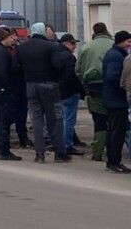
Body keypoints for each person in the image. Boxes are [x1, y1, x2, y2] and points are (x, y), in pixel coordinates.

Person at [16, 22, 70, 163]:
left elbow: (16, 68)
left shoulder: (22, 47)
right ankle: (60, 153)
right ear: (42, 32)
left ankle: (39, 154)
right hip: (49, 85)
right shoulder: (51, 46)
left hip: (31, 86)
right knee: (55, 119)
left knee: (37, 119)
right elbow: (58, 66)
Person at [77, 22, 113, 162]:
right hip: (113, 88)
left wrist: (85, 84)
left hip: (93, 88)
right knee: (118, 120)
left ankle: (97, 152)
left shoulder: (86, 47)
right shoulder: (114, 45)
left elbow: (78, 70)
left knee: (99, 120)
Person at [0, 27, 22, 160]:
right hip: (3, 88)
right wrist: (9, 88)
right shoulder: (3, 52)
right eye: (10, 38)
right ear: (4, 38)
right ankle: (4, 150)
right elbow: (4, 73)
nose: (12, 40)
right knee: (4, 120)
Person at [102, 30, 131, 173]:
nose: (129, 45)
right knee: (117, 132)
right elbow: (113, 77)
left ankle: (112, 161)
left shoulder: (116, 54)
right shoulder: (115, 56)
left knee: (115, 131)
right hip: (116, 100)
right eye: (128, 42)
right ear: (121, 41)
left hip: (113, 99)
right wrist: (124, 86)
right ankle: (115, 162)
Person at [55, 33, 85, 156]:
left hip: (58, 91)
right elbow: (72, 76)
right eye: (73, 44)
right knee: (69, 120)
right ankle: (67, 145)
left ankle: (60, 143)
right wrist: (80, 90)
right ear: (66, 44)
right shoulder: (69, 57)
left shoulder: (55, 54)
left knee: (61, 119)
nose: (75, 46)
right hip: (69, 92)